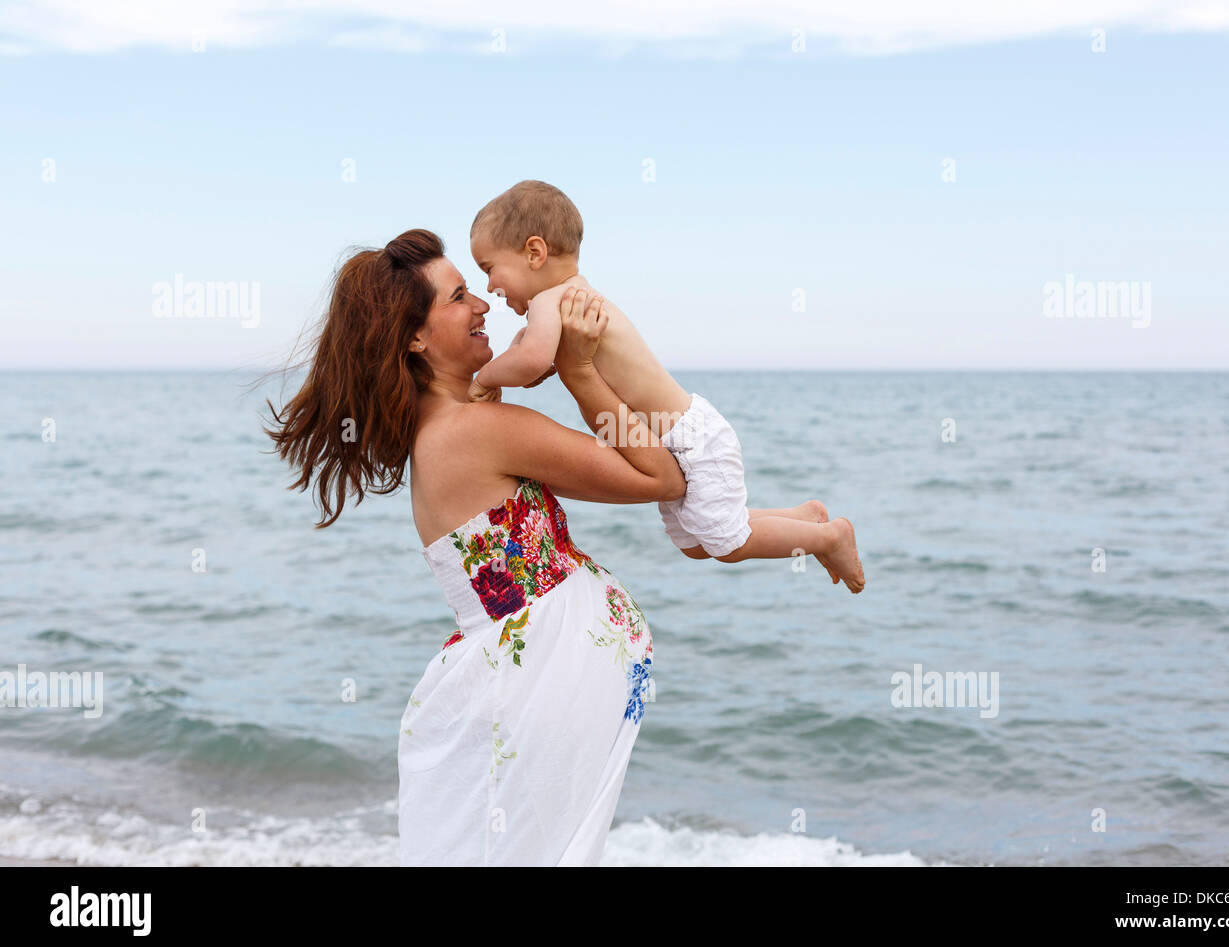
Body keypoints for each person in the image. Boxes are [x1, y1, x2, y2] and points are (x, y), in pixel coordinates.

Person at [263, 228, 685, 865]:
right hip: (532, 692)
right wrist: (580, 371)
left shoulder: (443, 429)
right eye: (459, 296)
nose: (483, 303)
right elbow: (661, 477)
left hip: (523, 690)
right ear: (414, 336)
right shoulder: (479, 431)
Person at [468, 179, 866, 592]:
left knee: (728, 545)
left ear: (534, 252)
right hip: (672, 435)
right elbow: (529, 359)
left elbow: (531, 358)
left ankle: (828, 536)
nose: (490, 287)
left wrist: (483, 379)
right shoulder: (567, 301)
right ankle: (803, 516)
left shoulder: (552, 302)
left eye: (488, 269)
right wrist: (508, 370)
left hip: (688, 435)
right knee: (695, 544)